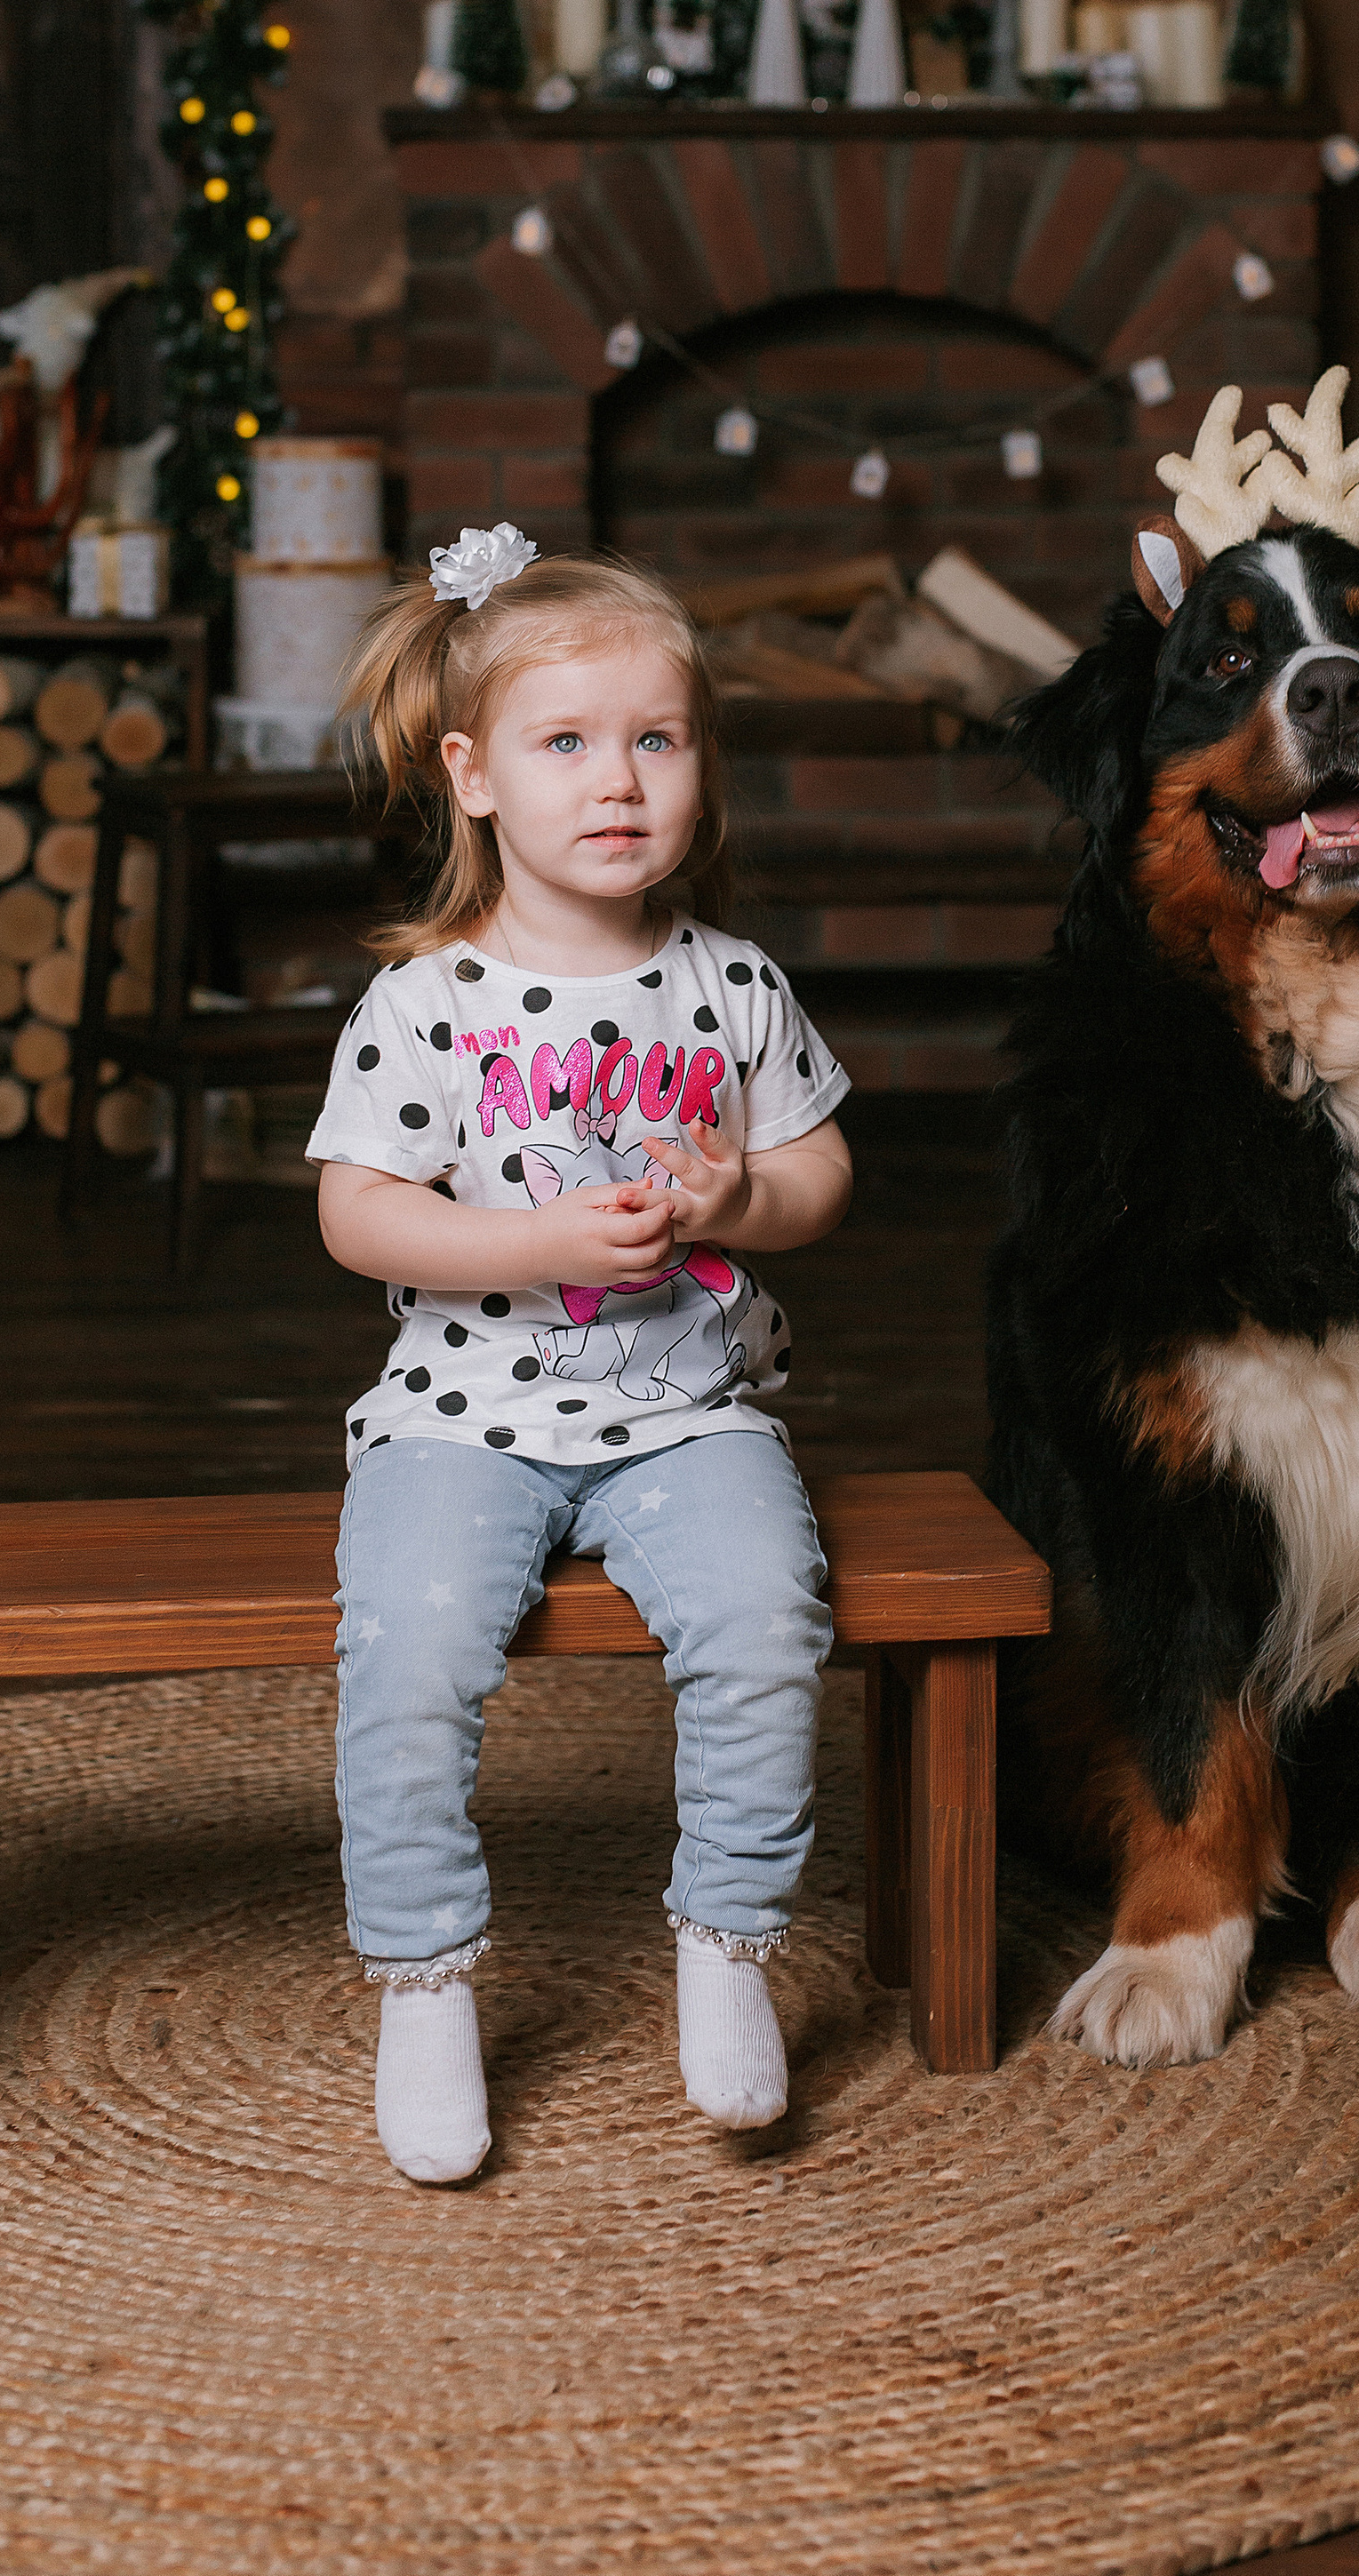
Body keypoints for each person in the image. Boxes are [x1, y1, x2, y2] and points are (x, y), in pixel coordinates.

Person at [308, 522, 854, 2184]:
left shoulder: (731, 986)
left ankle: (730, 1944)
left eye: (655, 740)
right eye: (565, 744)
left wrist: (742, 1192)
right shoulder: (430, 1005)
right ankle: (423, 1983)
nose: (615, 783)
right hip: (457, 1420)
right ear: (473, 777)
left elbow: (823, 1179)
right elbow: (359, 1213)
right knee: (406, 1651)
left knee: (769, 1622)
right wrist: (535, 1245)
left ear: (698, 763)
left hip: (690, 1410)